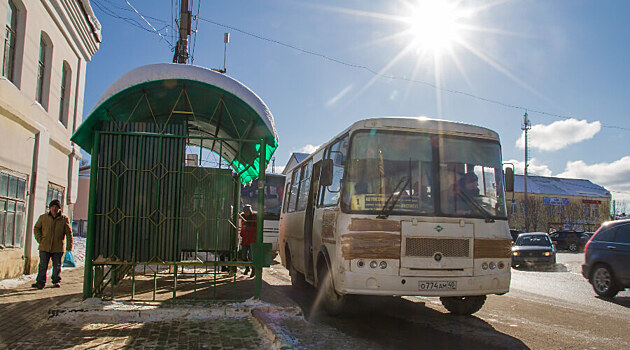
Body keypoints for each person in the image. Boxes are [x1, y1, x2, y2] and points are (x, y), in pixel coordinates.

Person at [32, 199, 72, 289]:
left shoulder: (64, 219)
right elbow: (36, 228)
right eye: (53, 207)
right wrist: (40, 239)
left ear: (59, 209)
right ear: (50, 208)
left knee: (57, 265)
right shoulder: (43, 217)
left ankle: (56, 281)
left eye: (56, 207)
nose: (54, 209)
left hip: (58, 247)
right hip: (44, 246)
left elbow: (69, 233)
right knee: (42, 265)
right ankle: (40, 282)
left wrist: (69, 247)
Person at [239, 204, 257, 277]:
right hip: (245, 239)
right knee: (243, 255)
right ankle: (247, 268)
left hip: (252, 239)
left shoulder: (254, 218)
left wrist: (248, 229)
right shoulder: (243, 217)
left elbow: (256, 228)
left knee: (251, 256)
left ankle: (253, 269)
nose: (246, 213)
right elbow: (243, 226)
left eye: (247, 212)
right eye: (245, 212)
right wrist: (242, 233)